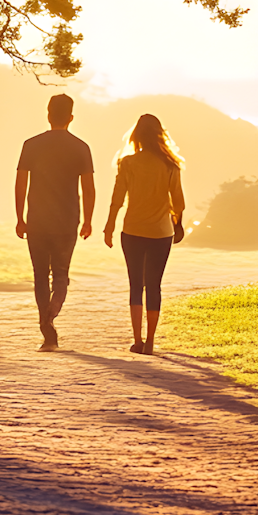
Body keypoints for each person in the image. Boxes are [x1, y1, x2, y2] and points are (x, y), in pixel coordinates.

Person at [15, 93, 94, 351]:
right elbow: (88, 188)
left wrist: (20, 218)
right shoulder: (81, 147)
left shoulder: (31, 144)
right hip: (67, 220)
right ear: (71, 118)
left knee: (40, 275)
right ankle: (52, 312)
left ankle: (47, 330)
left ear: (48, 115)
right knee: (61, 273)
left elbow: (21, 183)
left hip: (37, 220)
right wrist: (88, 220)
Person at [103, 113, 186, 355]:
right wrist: (178, 224)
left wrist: (109, 227)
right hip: (161, 233)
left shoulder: (127, 163)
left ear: (136, 136)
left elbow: (117, 199)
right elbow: (178, 202)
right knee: (154, 285)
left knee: (135, 284)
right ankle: (150, 341)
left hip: (132, 231)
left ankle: (137, 340)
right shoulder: (171, 165)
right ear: (160, 135)